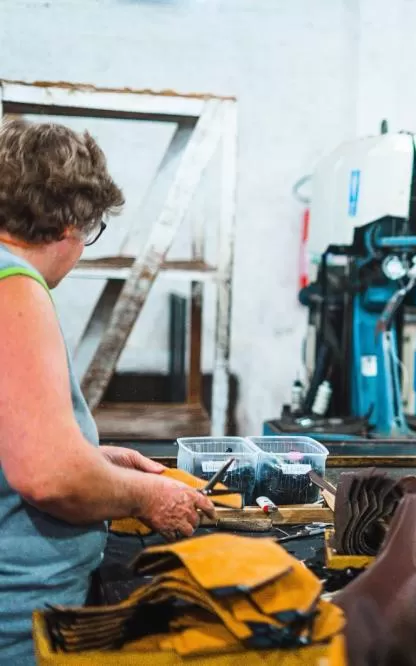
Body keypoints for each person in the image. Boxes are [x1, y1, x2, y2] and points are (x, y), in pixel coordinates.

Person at [0, 119, 217, 663]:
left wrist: (91, 457)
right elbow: (49, 476)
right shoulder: (14, 286)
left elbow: (24, 447)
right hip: (21, 623)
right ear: (72, 222)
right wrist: (147, 496)